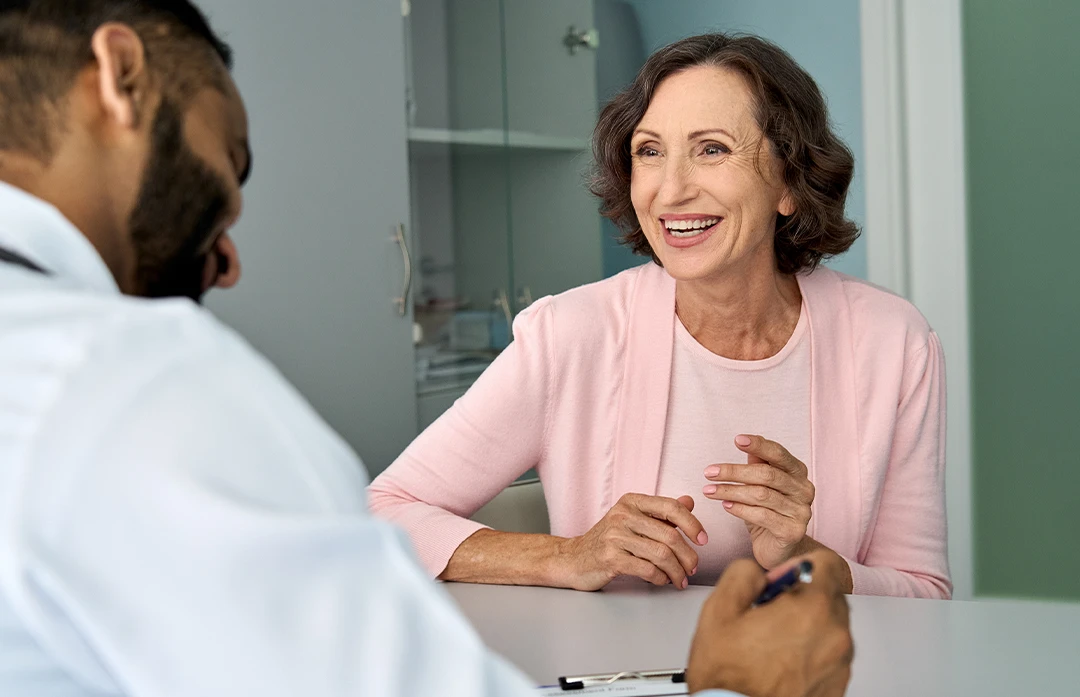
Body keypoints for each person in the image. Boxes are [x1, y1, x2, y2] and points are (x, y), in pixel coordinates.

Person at [0, 2, 853, 696]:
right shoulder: (129, 381)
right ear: (118, 78)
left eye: (713, 150)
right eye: (226, 170)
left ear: (786, 183)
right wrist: (730, 688)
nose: (227, 261)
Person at [369, 33, 951, 599]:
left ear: (789, 184)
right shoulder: (570, 335)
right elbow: (381, 512)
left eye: (712, 149)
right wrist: (568, 556)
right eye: (650, 152)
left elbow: (923, 592)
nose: (670, 191)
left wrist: (804, 560)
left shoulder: (892, 343)